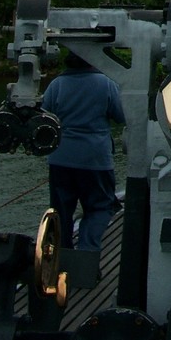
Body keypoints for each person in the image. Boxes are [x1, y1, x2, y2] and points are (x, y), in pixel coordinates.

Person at [42, 52, 125, 253]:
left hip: (61, 157)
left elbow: (45, 117)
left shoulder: (56, 85)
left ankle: (62, 259)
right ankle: (87, 253)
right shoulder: (105, 83)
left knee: (61, 212)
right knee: (100, 207)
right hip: (95, 159)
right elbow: (122, 116)